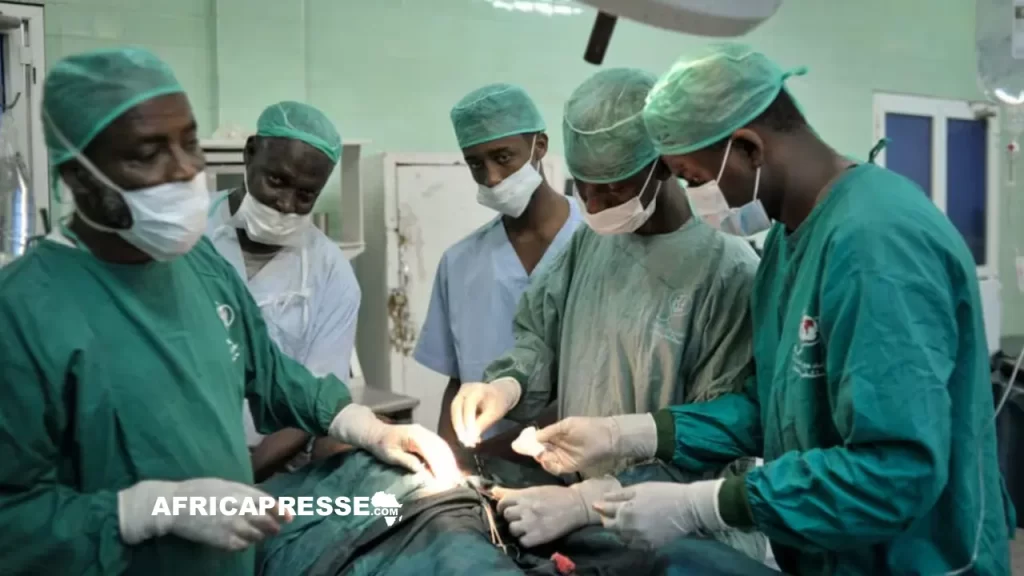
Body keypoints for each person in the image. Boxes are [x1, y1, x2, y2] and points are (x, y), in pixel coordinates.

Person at [523, 44, 1015, 575]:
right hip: (829, 556)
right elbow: (771, 409)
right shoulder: (785, 243)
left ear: (748, 148)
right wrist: (634, 433)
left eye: (693, 178)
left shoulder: (878, 243)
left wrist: (707, 504)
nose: (693, 195)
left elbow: (896, 470)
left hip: (918, 562)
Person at [0, 47, 457, 576]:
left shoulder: (199, 267)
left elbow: (272, 373)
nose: (184, 170)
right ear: (79, 177)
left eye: (189, 142)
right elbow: (12, 519)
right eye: (148, 154)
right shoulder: (22, 313)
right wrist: (150, 511)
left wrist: (368, 428)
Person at [450, 68, 765, 550]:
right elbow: (541, 337)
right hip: (582, 525)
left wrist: (590, 500)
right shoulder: (591, 244)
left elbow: (716, 436)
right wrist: (506, 386)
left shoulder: (728, 272)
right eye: (583, 187)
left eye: (613, 188)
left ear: (664, 164)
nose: (594, 206)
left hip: (688, 539)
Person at [415, 83, 582, 443]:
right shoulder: (460, 263)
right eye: (476, 164)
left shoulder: (597, 241)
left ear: (540, 145)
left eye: (503, 157)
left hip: (586, 456)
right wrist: (450, 459)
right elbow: (458, 382)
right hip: (489, 459)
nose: (491, 177)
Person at [206, 101, 360, 481]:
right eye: (276, 180)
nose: (286, 203)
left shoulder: (332, 274)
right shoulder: (189, 236)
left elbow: (315, 402)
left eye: (306, 195)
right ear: (250, 152)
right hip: (181, 457)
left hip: (270, 469)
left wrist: (243, 479)